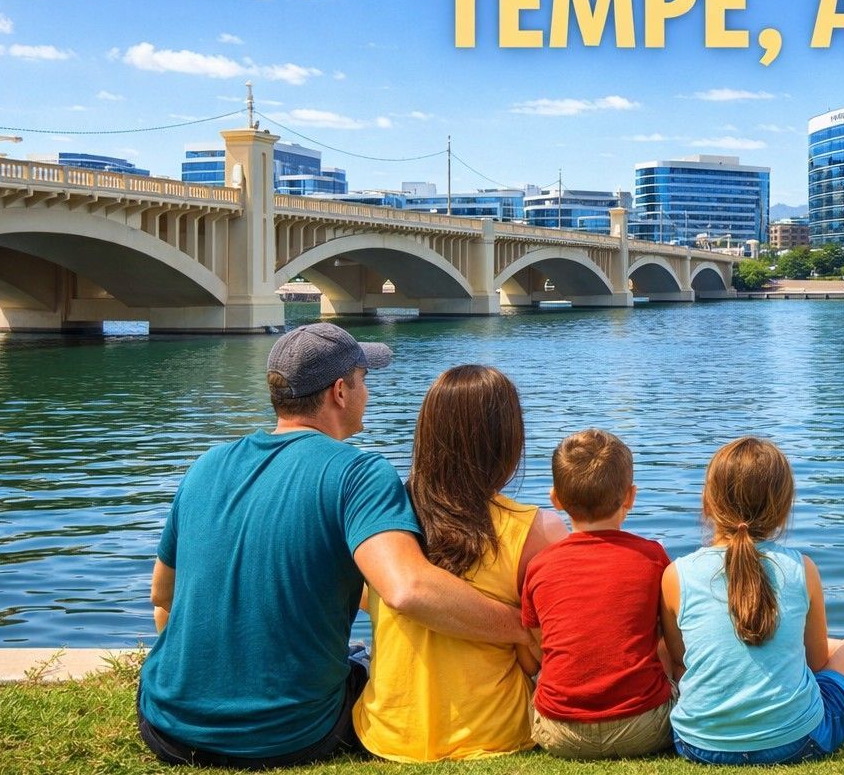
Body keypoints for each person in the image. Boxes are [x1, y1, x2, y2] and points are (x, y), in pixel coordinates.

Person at [138, 324, 528, 768]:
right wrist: (520, 626)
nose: (367, 391)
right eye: (365, 379)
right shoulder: (358, 472)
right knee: (360, 664)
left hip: (165, 725)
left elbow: (162, 596)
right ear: (340, 391)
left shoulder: (207, 465)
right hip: (290, 735)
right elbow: (408, 590)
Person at [353, 365, 568, 762]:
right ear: (507, 441)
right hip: (497, 729)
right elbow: (556, 641)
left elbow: (367, 597)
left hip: (391, 732)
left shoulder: (382, 524)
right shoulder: (538, 530)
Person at [662, 437, 844, 766]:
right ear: (783, 510)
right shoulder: (801, 569)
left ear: (707, 503)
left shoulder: (676, 575)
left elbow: (679, 660)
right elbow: (816, 664)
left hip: (697, 743)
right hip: (798, 741)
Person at [521, 429, 675, 759]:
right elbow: (670, 636)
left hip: (560, 732)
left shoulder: (540, 565)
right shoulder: (653, 557)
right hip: (643, 728)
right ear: (630, 497)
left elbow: (539, 641)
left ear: (555, 499)